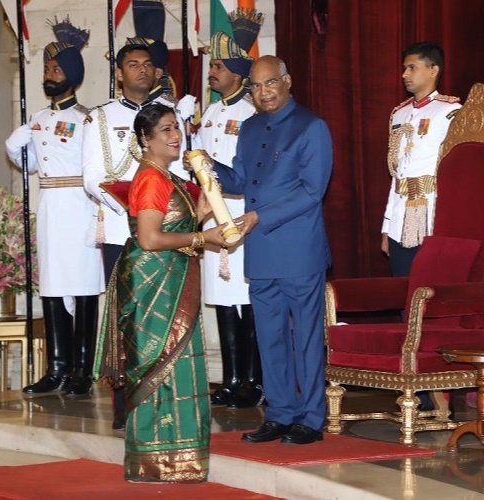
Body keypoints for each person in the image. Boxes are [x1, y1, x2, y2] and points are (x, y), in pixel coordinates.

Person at [94, 104, 227, 482]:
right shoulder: (152, 179)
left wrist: (199, 215)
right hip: (153, 284)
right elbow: (150, 239)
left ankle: (174, 459)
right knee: (159, 365)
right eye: (165, 130)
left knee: (175, 365)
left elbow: (169, 230)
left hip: (169, 280)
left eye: (176, 128)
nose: (175, 136)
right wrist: (205, 236)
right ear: (145, 140)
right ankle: (157, 462)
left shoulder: (165, 177)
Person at [206, 55, 333, 445]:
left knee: (306, 337)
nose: (264, 93)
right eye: (257, 87)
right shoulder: (249, 128)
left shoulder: (312, 128)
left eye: (270, 83)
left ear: (287, 80)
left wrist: (259, 217)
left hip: (298, 250)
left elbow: (312, 192)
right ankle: (279, 413)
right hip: (260, 251)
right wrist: (206, 166)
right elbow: (241, 180)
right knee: (270, 336)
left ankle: (310, 418)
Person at [83, 42, 193, 429]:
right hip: (122, 231)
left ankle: (167, 399)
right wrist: (134, 212)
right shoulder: (99, 118)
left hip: (171, 231)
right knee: (128, 320)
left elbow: (185, 175)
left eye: (148, 64)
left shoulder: (172, 116)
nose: (142, 71)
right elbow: (93, 178)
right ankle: (123, 402)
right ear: (119, 73)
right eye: (133, 64)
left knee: (168, 319)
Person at [6, 20, 103, 396]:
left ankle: (82, 370)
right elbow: (29, 165)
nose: (51, 75)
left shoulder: (85, 120)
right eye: (47, 70)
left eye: (57, 69)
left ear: (73, 77)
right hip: (50, 209)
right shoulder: (40, 120)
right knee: (51, 288)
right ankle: (56, 367)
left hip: (78, 206)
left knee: (81, 289)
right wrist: (17, 144)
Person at [193, 11, 265, 409]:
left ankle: (253, 379)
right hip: (213, 217)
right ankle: (233, 376)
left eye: (218, 65)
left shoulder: (250, 113)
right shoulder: (213, 112)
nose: (212, 72)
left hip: (239, 213)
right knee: (222, 300)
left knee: (245, 300)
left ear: (238, 72)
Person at [381, 42, 461, 277]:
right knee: (402, 291)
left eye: (413, 68)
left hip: (430, 216)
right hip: (399, 219)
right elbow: (397, 174)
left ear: (433, 70)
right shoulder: (400, 113)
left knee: (427, 290)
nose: (405, 74)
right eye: (405, 68)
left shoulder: (450, 111)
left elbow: (456, 173)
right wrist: (387, 226)